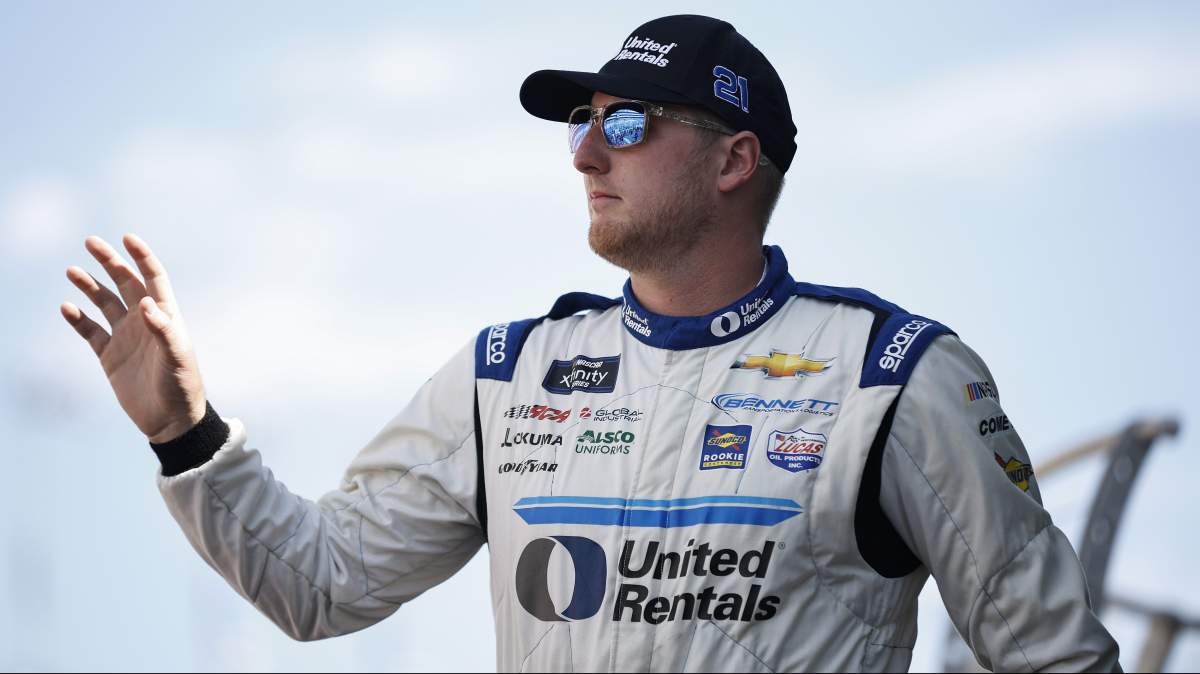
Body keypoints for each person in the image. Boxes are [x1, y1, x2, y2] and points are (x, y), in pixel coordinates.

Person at [60, 14, 1120, 673]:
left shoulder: (894, 376)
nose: (584, 156)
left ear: (733, 161)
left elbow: (1057, 657)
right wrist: (185, 432)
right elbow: (321, 583)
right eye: (584, 124)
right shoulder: (506, 373)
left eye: (627, 125)